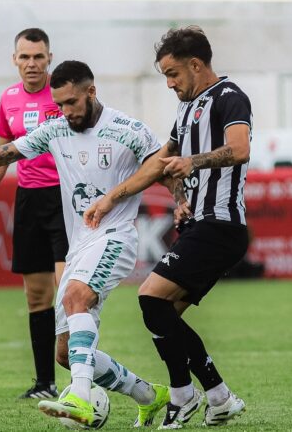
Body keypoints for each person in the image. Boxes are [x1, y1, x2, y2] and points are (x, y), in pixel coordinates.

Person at [0, 60, 171, 428]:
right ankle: (149, 395)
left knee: (75, 295)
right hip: (80, 245)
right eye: (59, 104)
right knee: (65, 352)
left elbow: (163, 165)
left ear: (91, 92)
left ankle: (79, 396)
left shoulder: (127, 130)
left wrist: (179, 199)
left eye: (72, 102)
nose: (66, 111)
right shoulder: (55, 130)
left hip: (115, 237)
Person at [84, 26, 250, 428]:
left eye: (173, 73)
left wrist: (191, 163)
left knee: (151, 297)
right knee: (161, 316)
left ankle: (184, 396)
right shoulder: (188, 107)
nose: (170, 83)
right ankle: (217, 396)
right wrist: (114, 198)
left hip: (221, 224)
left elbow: (241, 149)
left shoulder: (230, 97)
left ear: (196, 65)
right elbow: (161, 163)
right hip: (199, 223)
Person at [0, 28, 68, 399]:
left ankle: (82, 380)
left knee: (68, 292)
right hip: (28, 200)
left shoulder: (63, 94)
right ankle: (45, 383)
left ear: (49, 58)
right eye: (25, 57)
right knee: (36, 297)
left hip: (62, 199)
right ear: (14, 59)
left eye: (38, 57)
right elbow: (0, 155)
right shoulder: (7, 98)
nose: (31, 64)